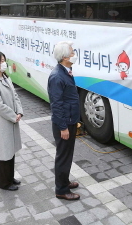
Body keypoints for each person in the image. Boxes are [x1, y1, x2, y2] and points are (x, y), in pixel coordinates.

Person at [0, 51, 24, 191]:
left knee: (10, 151)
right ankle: (4, 183)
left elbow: (15, 97)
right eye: (1, 61)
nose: (4, 63)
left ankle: (10, 177)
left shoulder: (6, 78)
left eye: (4, 60)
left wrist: (19, 111)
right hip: (2, 123)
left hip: (11, 120)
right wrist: (13, 116)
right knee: (3, 153)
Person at [48, 41, 81, 201]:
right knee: (63, 156)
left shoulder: (66, 70)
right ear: (65, 57)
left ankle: (65, 181)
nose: (74, 55)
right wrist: (63, 127)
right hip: (64, 123)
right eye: (72, 53)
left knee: (67, 155)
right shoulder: (57, 76)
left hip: (70, 120)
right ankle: (61, 189)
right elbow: (57, 104)